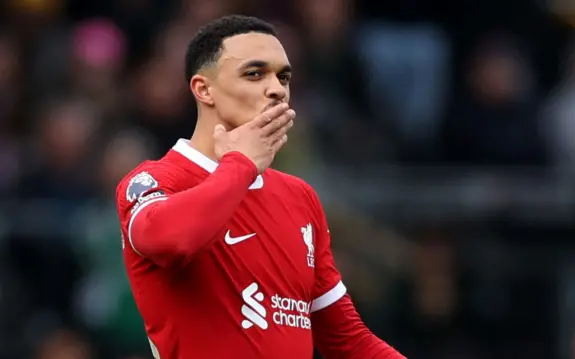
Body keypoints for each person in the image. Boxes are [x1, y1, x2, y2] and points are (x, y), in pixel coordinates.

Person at [115, 15, 405, 359]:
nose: (277, 89)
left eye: (283, 76)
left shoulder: (300, 198)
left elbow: (349, 340)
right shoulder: (155, 180)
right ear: (203, 89)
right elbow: (169, 240)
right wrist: (241, 165)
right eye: (255, 74)